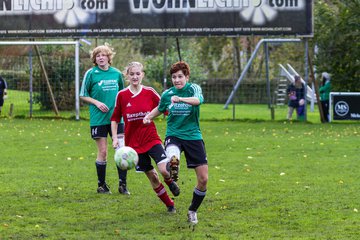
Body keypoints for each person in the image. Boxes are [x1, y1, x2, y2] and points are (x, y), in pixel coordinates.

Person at [143, 61, 208, 225]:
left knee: (203, 179)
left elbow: (198, 100)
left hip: (193, 136)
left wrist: (180, 99)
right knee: (172, 154)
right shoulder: (167, 94)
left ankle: (192, 210)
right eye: (174, 77)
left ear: (186, 77)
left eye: (180, 76)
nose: (177, 80)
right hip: (174, 135)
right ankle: (174, 164)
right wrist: (149, 116)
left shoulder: (193, 88)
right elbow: (160, 107)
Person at [110, 62, 180, 213]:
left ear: (142, 75)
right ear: (127, 76)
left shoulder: (150, 92)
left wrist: (175, 112)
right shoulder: (121, 95)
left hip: (151, 138)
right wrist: (115, 138)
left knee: (164, 170)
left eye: (137, 74)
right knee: (153, 177)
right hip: (133, 146)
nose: (135, 77)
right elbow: (114, 119)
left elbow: (165, 108)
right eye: (132, 74)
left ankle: (170, 181)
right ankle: (170, 205)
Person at [80, 44, 129, 195]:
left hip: (117, 119)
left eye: (103, 55)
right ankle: (101, 185)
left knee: (121, 150)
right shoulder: (91, 73)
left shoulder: (116, 74)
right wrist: (96, 102)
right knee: (103, 152)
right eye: (97, 55)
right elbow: (82, 95)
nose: (100, 57)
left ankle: (123, 185)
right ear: (95, 59)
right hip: (98, 119)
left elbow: (122, 94)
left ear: (109, 57)